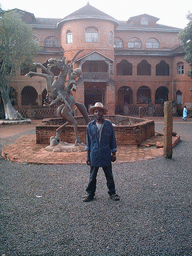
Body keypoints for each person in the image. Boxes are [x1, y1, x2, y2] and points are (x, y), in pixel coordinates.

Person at [83, 102, 120, 202]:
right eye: (95, 111)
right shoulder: (90, 126)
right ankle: (90, 194)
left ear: (103, 112)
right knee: (92, 176)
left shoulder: (108, 125)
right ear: (93, 113)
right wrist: (87, 156)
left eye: (99, 111)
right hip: (94, 154)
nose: (97, 113)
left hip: (105, 154)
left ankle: (112, 193)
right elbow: (88, 142)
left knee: (109, 175)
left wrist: (114, 153)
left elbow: (113, 140)